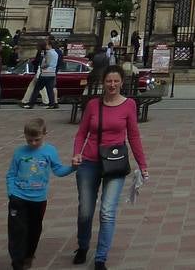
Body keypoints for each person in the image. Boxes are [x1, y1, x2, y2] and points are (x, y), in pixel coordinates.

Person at [72, 65, 148, 268]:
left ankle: (100, 258)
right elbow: (81, 133)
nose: (112, 84)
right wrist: (77, 153)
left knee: (107, 211)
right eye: (108, 81)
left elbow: (133, 135)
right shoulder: (93, 105)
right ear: (103, 83)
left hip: (115, 163)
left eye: (116, 81)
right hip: (89, 162)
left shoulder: (129, 105)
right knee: (85, 211)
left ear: (122, 82)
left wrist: (142, 164)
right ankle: (83, 245)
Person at [7, 116, 76, 270]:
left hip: (38, 199)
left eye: (36, 140)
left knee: (34, 229)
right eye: (29, 140)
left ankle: (29, 255)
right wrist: (11, 193)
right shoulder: (19, 152)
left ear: (44, 134)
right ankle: (17, 263)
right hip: (18, 197)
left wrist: (73, 167)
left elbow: (58, 170)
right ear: (24, 136)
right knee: (17, 231)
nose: (32, 143)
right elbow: (11, 174)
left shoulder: (50, 151)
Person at [29, 38, 60, 109]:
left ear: (49, 45)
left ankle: (31, 104)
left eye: (46, 45)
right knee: (50, 90)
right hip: (52, 73)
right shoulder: (56, 53)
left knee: (36, 89)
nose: (45, 46)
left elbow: (47, 63)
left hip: (45, 73)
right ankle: (52, 104)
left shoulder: (49, 53)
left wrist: (42, 66)